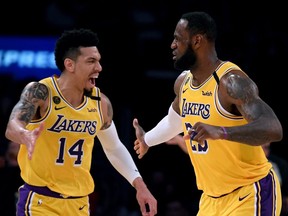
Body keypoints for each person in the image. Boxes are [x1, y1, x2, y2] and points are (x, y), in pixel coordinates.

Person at [133, 11, 283, 215]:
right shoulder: (183, 83)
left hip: (250, 191)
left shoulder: (230, 81)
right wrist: (147, 139)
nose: (172, 45)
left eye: (178, 38)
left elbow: (273, 129)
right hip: (211, 200)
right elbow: (174, 122)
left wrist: (221, 132)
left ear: (197, 40)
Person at [5, 28, 157, 216]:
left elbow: (114, 148)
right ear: (70, 64)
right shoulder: (41, 92)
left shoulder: (100, 103)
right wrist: (24, 134)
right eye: (91, 61)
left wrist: (139, 185)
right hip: (40, 202)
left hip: (80, 204)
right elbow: (12, 125)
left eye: (99, 61)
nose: (99, 68)